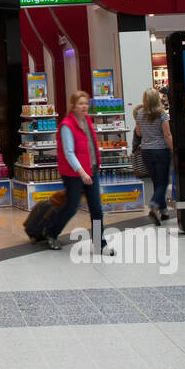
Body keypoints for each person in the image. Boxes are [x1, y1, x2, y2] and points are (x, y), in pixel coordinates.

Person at [44, 90, 114, 255]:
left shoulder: (88, 121)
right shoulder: (66, 126)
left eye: (86, 103)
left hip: (92, 170)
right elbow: (69, 153)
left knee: (96, 208)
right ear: (73, 106)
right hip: (74, 174)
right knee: (71, 206)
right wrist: (82, 172)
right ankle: (51, 233)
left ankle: (100, 244)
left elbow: (90, 146)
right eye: (80, 103)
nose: (84, 107)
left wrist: (95, 166)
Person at [134, 87, 173, 224]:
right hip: (161, 151)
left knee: (156, 181)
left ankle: (164, 211)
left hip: (146, 152)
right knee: (163, 182)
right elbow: (167, 135)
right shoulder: (162, 114)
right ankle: (154, 204)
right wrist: (173, 148)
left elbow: (139, 133)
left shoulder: (139, 113)